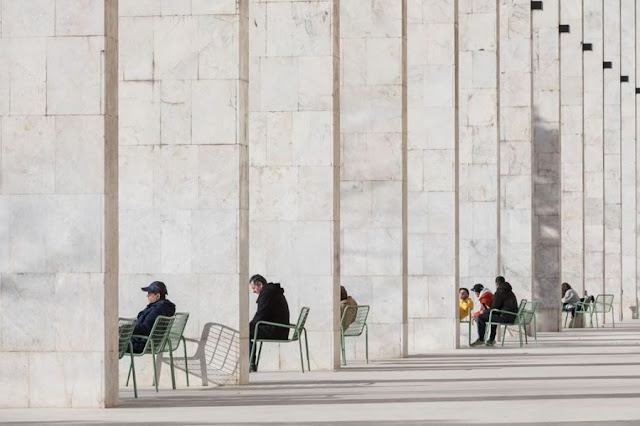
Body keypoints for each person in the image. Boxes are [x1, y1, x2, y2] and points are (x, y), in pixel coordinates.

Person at [249, 274, 290, 372]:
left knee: (246, 332)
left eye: (254, 288)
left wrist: (250, 325)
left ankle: (250, 364)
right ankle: (251, 363)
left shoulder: (267, 293)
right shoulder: (272, 292)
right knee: (249, 329)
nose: (253, 291)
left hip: (277, 330)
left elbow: (261, 314)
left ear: (260, 285)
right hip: (280, 329)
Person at [471, 276, 518, 347]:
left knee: (480, 317)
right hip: (511, 316)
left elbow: (494, 307)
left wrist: (482, 312)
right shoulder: (510, 292)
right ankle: (491, 339)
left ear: (496, 284)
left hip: (506, 317)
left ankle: (481, 339)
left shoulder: (500, 292)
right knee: (493, 315)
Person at [131, 281, 176, 353]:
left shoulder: (157, 310)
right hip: (149, 342)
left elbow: (145, 329)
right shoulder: (163, 308)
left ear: (157, 296)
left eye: (149, 294)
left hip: (141, 344)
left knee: (110, 343)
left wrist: (125, 329)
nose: (147, 296)